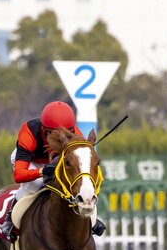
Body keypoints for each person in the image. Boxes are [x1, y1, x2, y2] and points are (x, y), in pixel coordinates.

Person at [7, 100, 105, 239]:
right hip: (30, 162)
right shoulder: (28, 133)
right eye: (56, 133)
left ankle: (88, 219)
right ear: (44, 130)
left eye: (67, 133)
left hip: (55, 161)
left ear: (72, 130)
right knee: (34, 186)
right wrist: (41, 171)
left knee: (72, 184)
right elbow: (19, 175)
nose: (62, 137)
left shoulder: (75, 134)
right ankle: (9, 220)